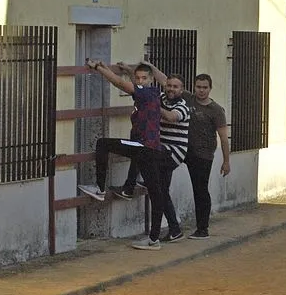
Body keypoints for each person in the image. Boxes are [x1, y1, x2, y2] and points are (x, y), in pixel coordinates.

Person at [77, 60, 173, 251]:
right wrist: (113, 68)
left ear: (151, 79)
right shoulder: (153, 93)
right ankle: (154, 239)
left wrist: (99, 69)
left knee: (103, 143)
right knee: (156, 194)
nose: (140, 81)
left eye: (144, 78)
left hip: (142, 147)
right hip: (151, 150)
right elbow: (132, 85)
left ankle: (100, 188)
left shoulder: (146, 92)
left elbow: (121, 83)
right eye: (138, 78)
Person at [126, 62, 190, 243]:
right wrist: (130, 72)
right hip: (161, 150)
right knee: (162, 191)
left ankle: (130, 185)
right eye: (169, 85)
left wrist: (152, 105)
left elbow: (170, 117)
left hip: (172, 153)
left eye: (175, 87)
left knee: (141, 152)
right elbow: (140, 90)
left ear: (182, 90)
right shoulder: (160, 97)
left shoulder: (183, 106)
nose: (171, 89)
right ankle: (175, 230)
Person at [183, 73, 230, 239]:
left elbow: (223, 138)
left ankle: (203, 229)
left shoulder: (216, 110)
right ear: (194, 87)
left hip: (203, 155)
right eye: (198, 87)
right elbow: (164, 80)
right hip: (184, 150)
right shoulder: (188, 99)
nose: (201, 90)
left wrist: (226, 161)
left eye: (205, 87)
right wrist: (150, 67)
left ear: (210, 89)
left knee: (200, 190)